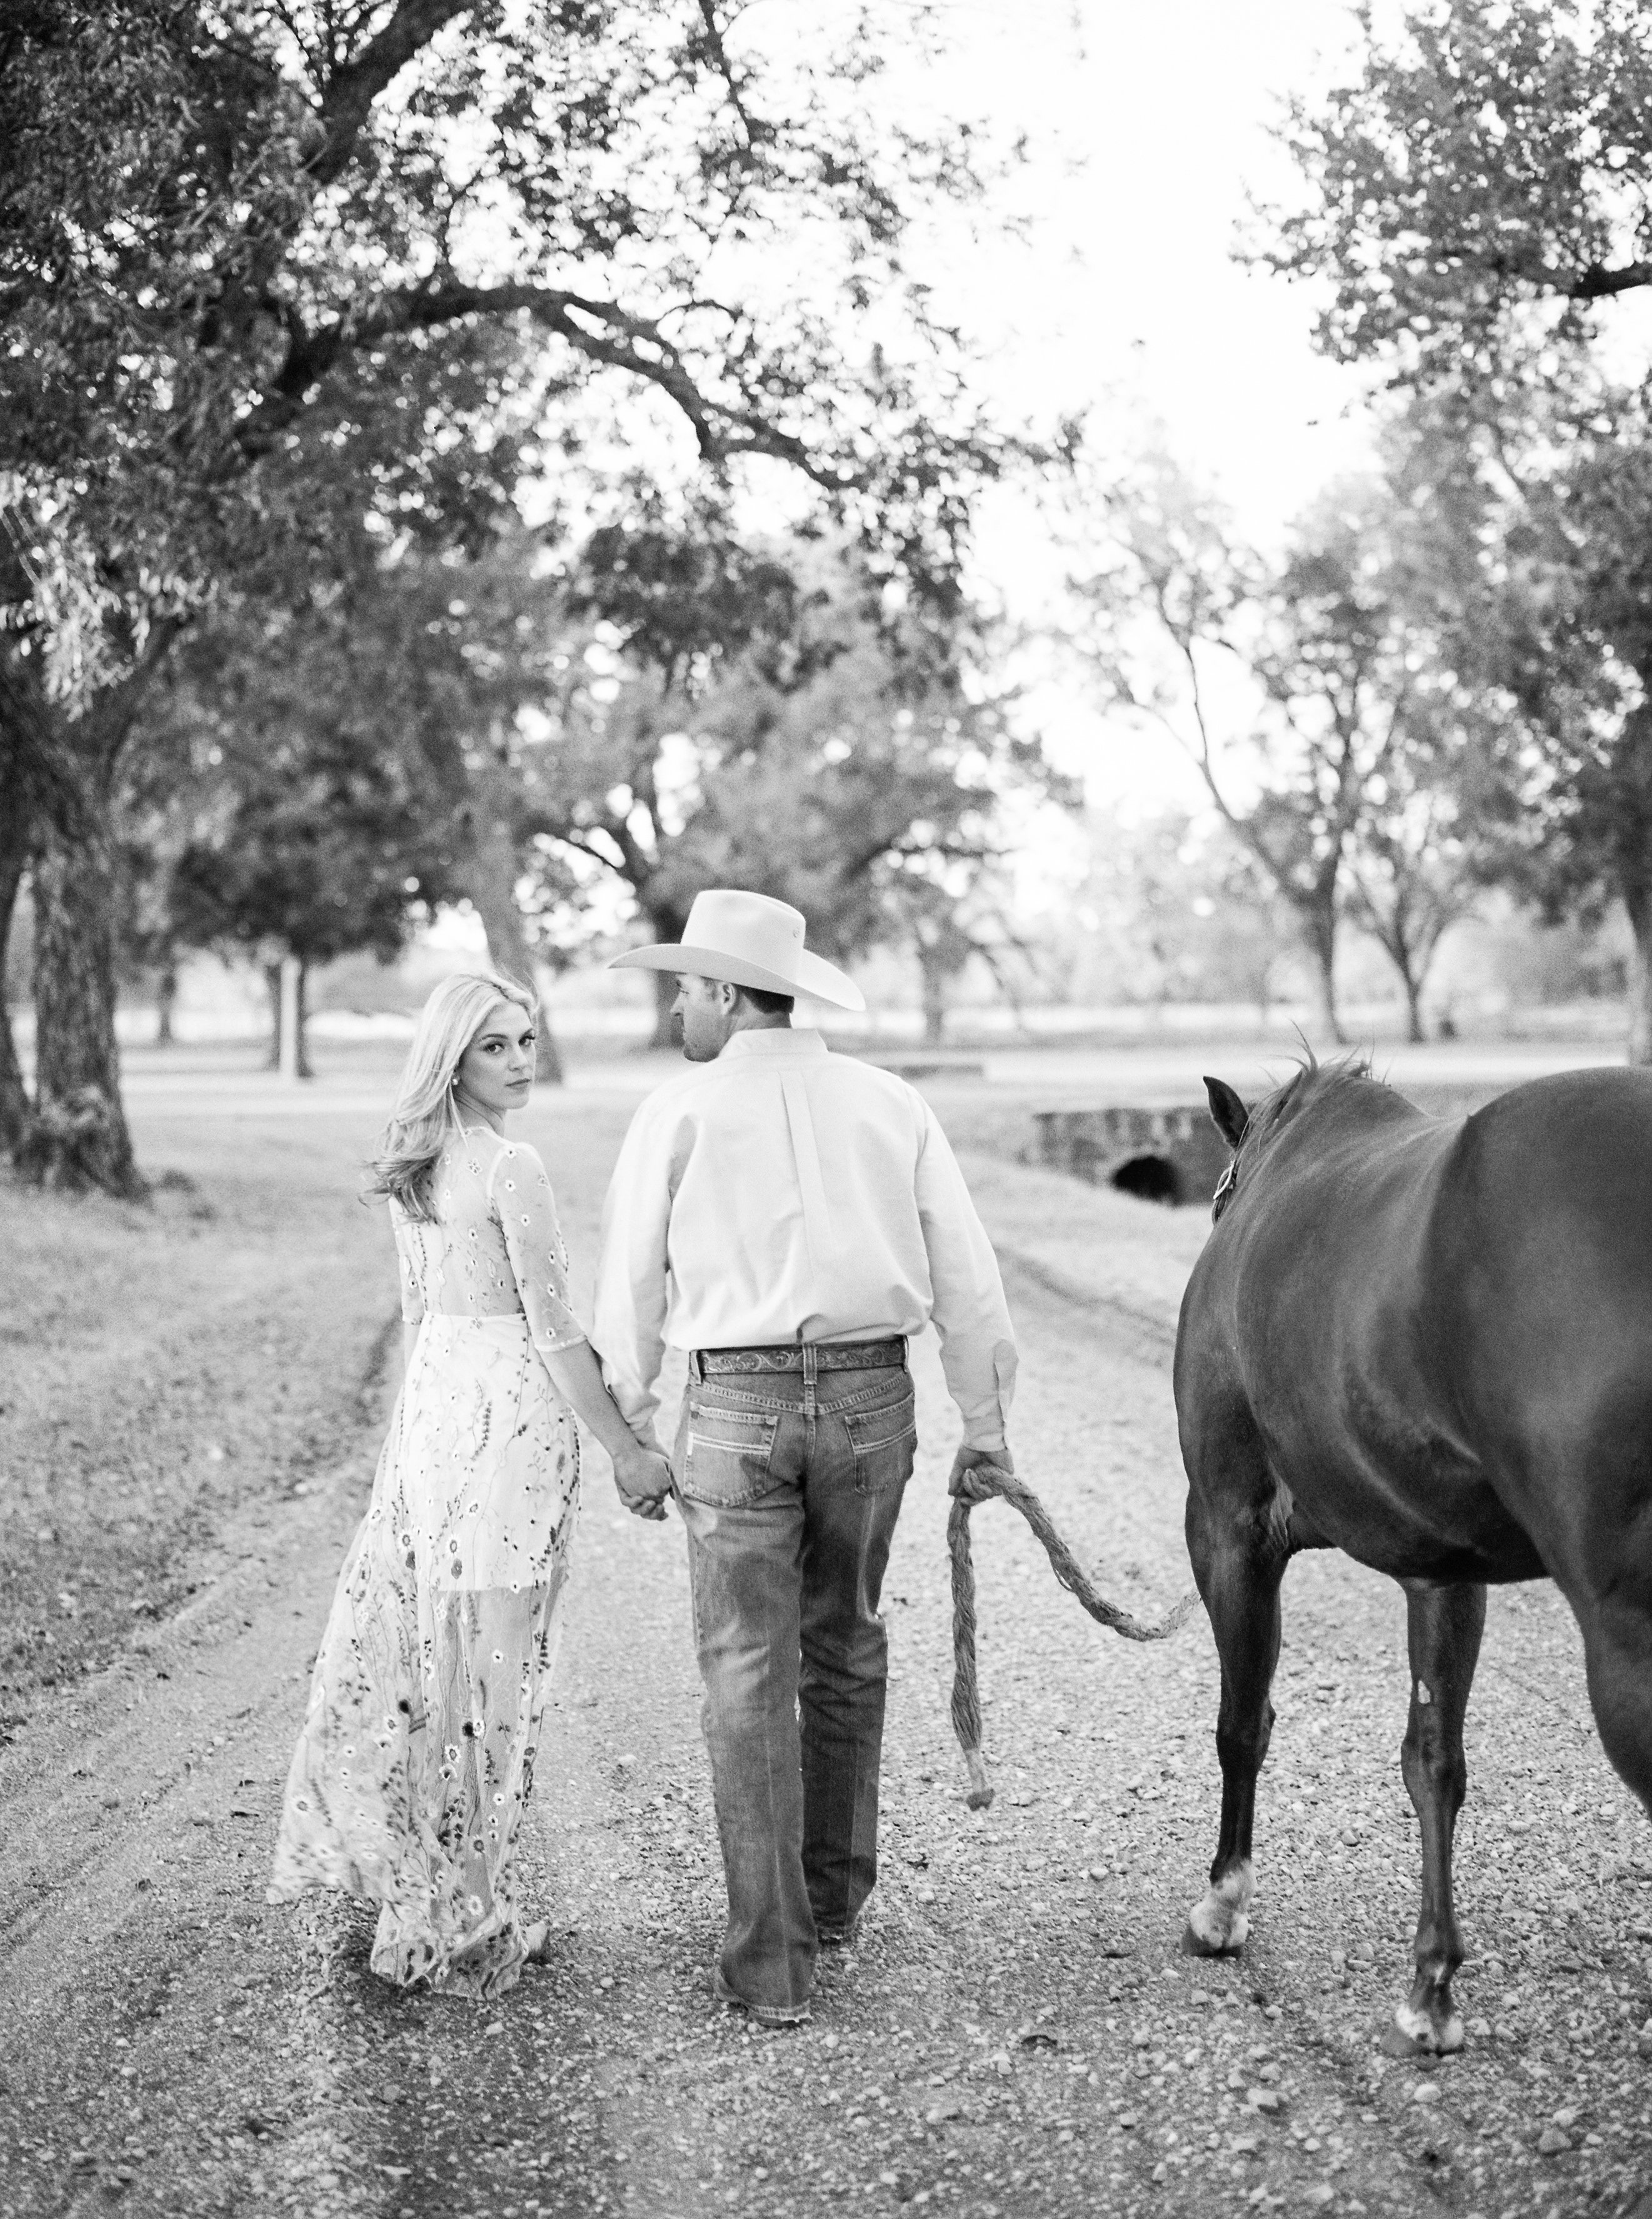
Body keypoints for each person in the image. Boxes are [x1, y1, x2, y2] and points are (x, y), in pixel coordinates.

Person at [594, 888, 1018, 2027]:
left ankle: (774, 1963)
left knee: (745, 1669)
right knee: (847, 1641)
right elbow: (967, 1278)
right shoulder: (891, 1104)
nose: (681, 1002)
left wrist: (631, 1424)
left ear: (729, 994)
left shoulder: (676, 1113)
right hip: (875, 1397)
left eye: (689, 984)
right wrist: (985, 1424)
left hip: (732, 1405)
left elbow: (631, 1287)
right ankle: (832, 1900)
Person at [269, 970, 671, 1999]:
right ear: (455, 1056)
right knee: (491, 1683)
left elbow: (420, 1317)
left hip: (437, 1426)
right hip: (498, 1438)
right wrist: (628, 1446)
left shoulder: (417, 1163)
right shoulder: (508, 1166)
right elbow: (555, 1331)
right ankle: (468, 1917)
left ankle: (438, 1898)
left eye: (528, 1039)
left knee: (438, 1675)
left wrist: (413, 1453)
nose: (523, 1059)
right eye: (497, 1045)